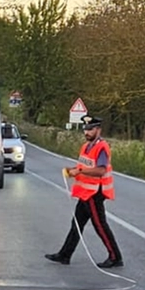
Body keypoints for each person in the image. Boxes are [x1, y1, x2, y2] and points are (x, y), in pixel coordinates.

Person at [45, 115, 123, 268]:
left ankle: (115, 257)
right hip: (86, 193)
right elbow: (84, 166)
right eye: (85, 129)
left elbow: (100, 170)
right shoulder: (86, 146)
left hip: (95, 193)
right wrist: (73, 170)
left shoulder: (102, 147)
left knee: (100, 226)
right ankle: (65, 255)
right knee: (76, 224)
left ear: (98, 130)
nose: (87, 132)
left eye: (90, 129)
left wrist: (79, 171)